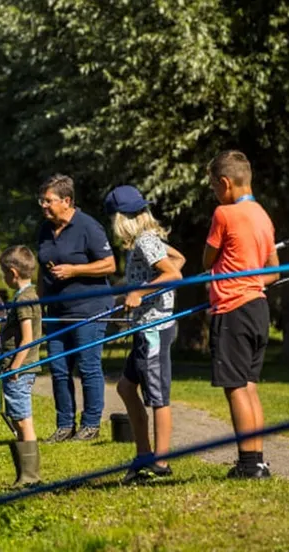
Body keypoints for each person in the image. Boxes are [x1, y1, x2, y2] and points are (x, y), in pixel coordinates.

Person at [203, 150, 279, 479]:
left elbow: (207, 260)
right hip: (258, 307)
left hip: (232, 308)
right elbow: (274, 271)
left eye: (213, 187)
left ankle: (248, 465)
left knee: (234, 387)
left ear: (225, 183)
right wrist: (249, 279)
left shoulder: (224, 214)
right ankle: (257, 460)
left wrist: (235, 279)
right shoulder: (263, 215)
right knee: (248, 385)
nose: (214, 194)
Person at [104, 185, 185, 483]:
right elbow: (179, 259)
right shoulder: (148, 240)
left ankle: (160, 464)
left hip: (153, 328)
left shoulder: (145, 242)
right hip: (144, 325)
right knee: (126, 388)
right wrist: (125, 299)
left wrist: (139, 292)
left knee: (157, 395)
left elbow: (173, 274)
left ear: (120, 219)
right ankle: (143, 454)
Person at [36, 174, 117, 442]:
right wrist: (39, 300)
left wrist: (74, 270)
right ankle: (64, 425)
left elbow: (109, 264)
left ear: (66, 201)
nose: (43, 206)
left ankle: (91, 425)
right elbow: (41, 268)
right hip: (56, 310)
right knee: (58, 368)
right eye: (42, 200)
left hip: (89, 307)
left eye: (48, 201)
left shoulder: (88, 227)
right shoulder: (45, 230)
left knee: (88, 367)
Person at [0, 245, 43, 485]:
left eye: (4, 274)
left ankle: (30, 476)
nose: (4, 278)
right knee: (18, 417)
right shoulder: (29, 294)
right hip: (20, 367)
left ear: (13, 273)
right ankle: (25, 474)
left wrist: (15, 367)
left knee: (23, 420)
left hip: (19, 369)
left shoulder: (24, 299)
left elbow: (27, 338)